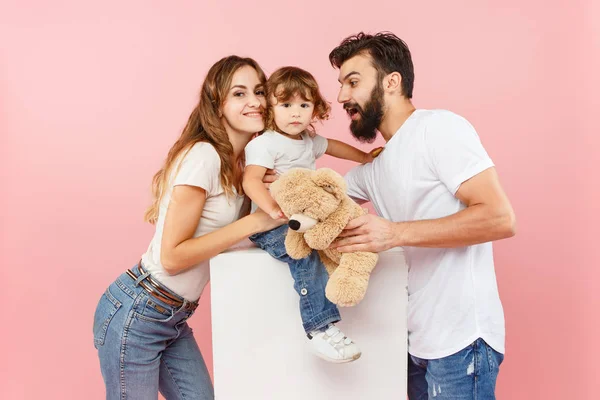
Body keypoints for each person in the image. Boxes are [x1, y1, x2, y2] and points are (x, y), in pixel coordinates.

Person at [327, 32, 516, 399]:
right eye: (341, 85)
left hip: (462, 341)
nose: (341, 98)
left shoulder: (438, 128)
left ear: (391, 81)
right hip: (416, 343)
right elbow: (316, 201)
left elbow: (499, 217)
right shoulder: (374, 168)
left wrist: (393, 234)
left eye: (353, 82)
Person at [92, 55, 285, 400]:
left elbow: (233, 241)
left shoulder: (238, 167)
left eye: (259, 91)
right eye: (239, 94)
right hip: (139, 310)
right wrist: (252, 220)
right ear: (217, 103)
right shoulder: (204, 156)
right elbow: (171, 257)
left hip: (172, 318)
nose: (255, 101)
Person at [242, 66, 381, 363]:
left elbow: (334, 147)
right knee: (303, 254)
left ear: (315, 108)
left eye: (304, 105)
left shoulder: (307, 140)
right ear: (270, 108)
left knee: (341, 238)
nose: (296, 113)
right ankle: (319, 329)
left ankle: (345, 282)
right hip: (272, 224)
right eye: (286, 105)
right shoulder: (263, 144)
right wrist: (272, 210)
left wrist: (364, 157)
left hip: (307, 220)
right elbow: (251, 180)